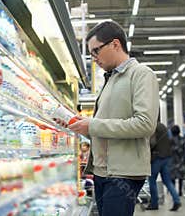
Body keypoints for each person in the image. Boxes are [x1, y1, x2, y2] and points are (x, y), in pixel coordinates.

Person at [55, 21, 159, 216]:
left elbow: (145, 124)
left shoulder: (141, 74)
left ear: (115, 44)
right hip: (103, 172)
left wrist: (93, 125)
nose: (93, 58)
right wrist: (81, 124)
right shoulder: (111, 78)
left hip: (123, 173)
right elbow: (106, 124)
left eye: (96, 51)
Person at [146, 122, 181, 211]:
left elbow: (152, 143)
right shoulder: (164, 126)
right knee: (167, 181)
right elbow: (171, 140)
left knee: (152, 180)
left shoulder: (153, 126)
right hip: (167, 157)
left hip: (157, 157)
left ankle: (154, 203)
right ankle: (177, 200)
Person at [170, 125, 185, 197]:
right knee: (180, 177)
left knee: (172, 177)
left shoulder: (169, 140)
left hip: (172, 161)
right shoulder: (183, 139)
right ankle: (180, 191)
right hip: (181, 160)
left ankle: (173, 191)